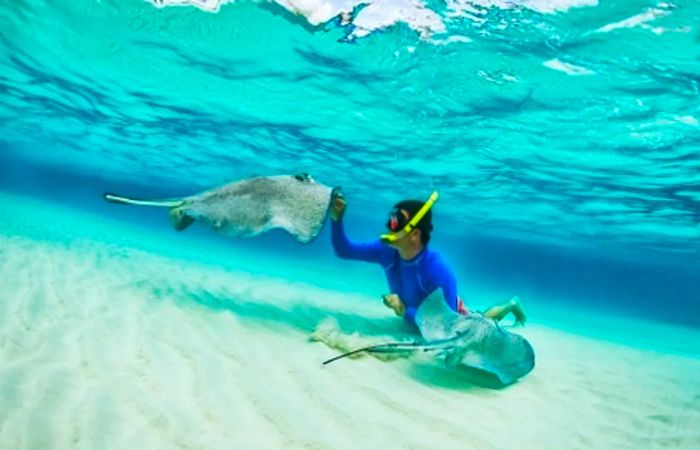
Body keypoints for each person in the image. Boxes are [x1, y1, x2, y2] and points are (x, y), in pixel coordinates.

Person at [330, 190, 526, 327]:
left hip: (453, 318)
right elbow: (344, 250)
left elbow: (447, 324)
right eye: (391, 220)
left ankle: (510, 305)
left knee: (482, 319)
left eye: (396, 222)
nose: (390, 226)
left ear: (414, 234)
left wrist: (404, 310)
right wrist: (337, 218)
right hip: (422, 321)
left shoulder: (438, 269)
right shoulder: (386, 251)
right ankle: (509, 305)